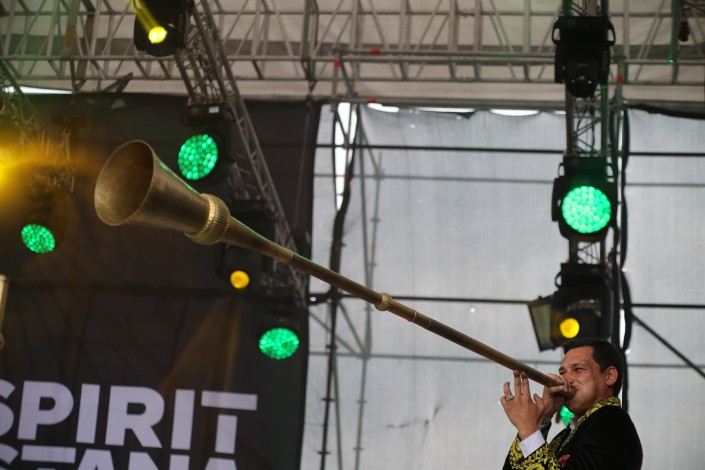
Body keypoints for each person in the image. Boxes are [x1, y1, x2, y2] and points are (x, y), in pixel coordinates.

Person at [500, 337, 642, 469]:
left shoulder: (613, 422)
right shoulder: (569, 433)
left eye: (578, 369)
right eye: (563, 372)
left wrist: (528, 428)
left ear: (609, 376)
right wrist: (542, 419)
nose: (566, 379)